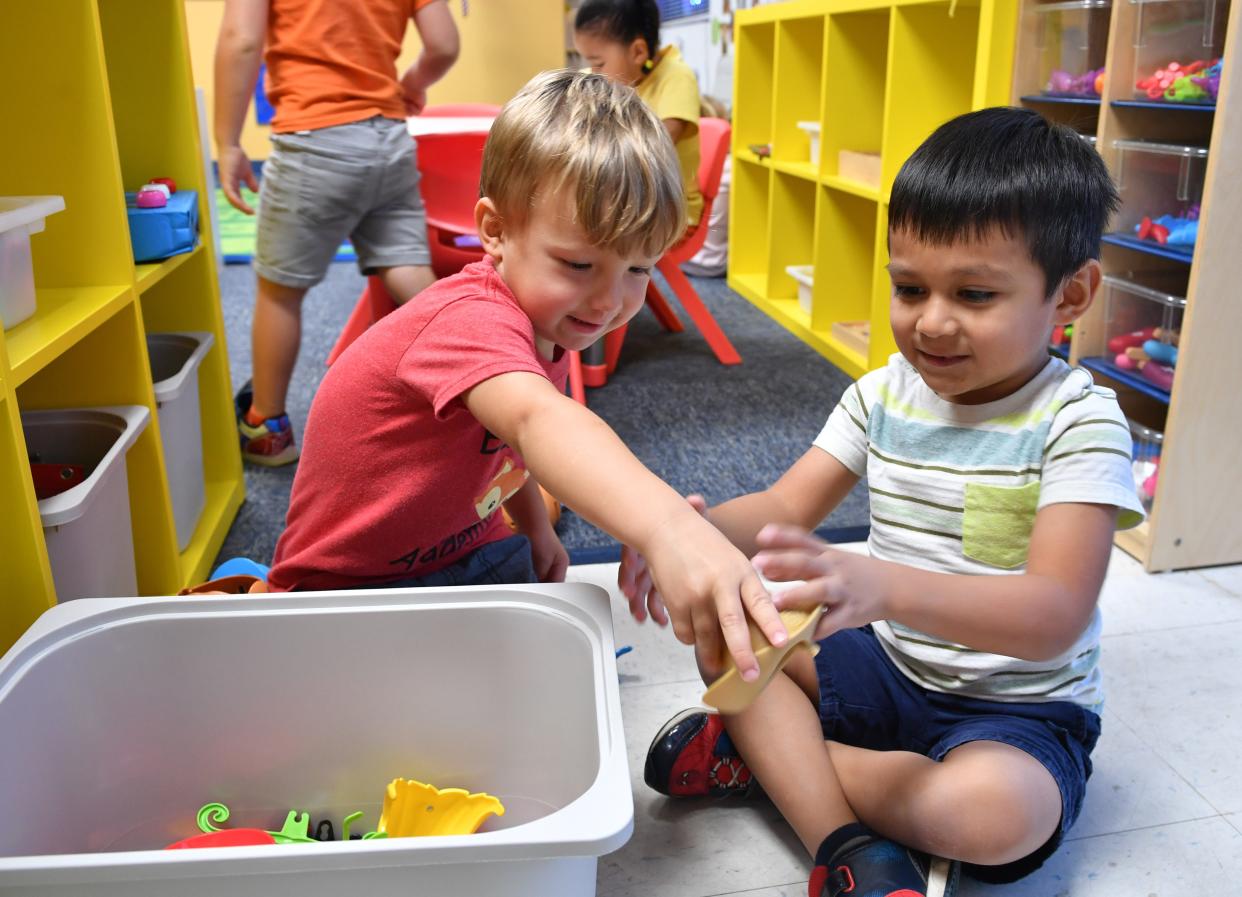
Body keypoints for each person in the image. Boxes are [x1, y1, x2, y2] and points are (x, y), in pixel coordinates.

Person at [625, 107, 1145, 897]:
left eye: (974, 293)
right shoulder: (882, 397)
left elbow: (1054, 615)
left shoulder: (1078, 419)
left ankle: (772, 768)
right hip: (884, 665)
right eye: (909, 287)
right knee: (734, 625)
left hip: (1015, 709)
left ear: (1070, 295)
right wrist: (674, 530)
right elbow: (779, 507)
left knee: (996, 819)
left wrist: (886, 588)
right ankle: (842, 840)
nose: (931, 322)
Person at [266, 70, 790, 684]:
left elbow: (509, 447)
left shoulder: (549, 316)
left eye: (638, 268)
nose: (607, 301)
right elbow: (536, 419)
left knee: (544, 657)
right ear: (495, 231)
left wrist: (536, 527)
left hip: (461, 546)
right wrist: (665, 522)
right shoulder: (470, 319)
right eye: (578, 263)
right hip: (345, 583)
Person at [213, 0, 460, 466]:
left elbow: (242, 40)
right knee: (408, 271)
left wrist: (226, 143)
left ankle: (266, 427)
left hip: (313, 143)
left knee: (279, 291)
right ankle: (478, 375)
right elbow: (444, 45)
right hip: (388, 139)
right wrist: (411, 83)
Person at [573, 0, 704, 230]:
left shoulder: (677, 78)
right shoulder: (603, 78)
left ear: (638, 52)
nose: (591, 73)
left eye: (598, 63)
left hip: (668, 208)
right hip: (621, 198)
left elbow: (651, 151)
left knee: (577, 229)